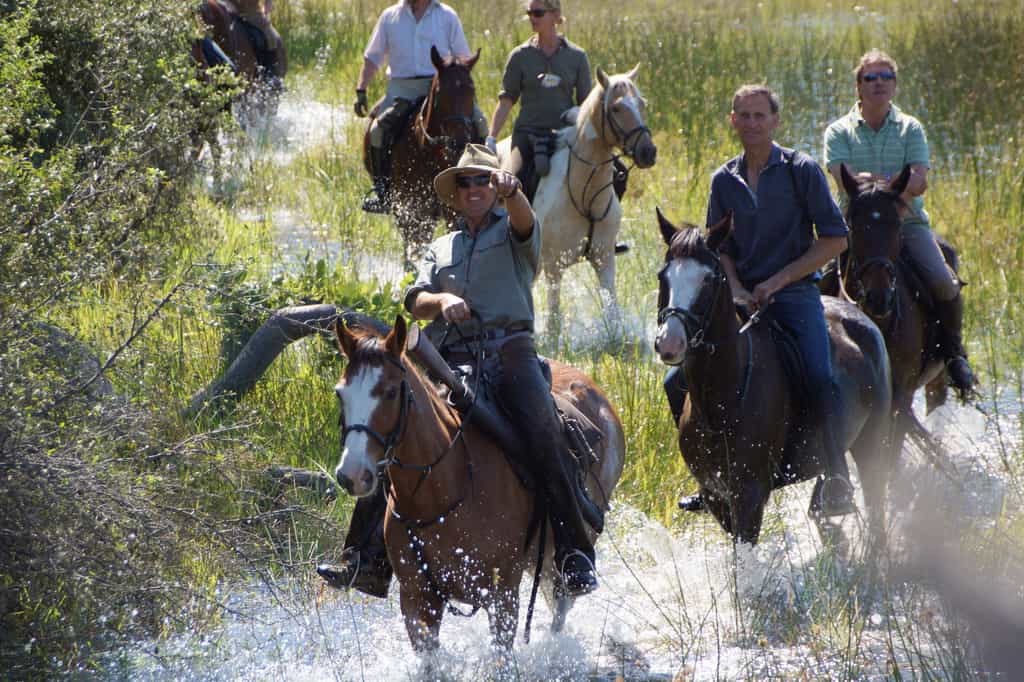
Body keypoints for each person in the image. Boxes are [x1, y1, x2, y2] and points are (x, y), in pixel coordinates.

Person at [318, 144, 600, 598]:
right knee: (395, 429)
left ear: (495, 186)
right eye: (465, 182)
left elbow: (525, 221)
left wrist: (513, 192)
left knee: (542, 432)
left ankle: (573, 553)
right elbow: (415, 300)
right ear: (455, 192)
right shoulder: (441, 247)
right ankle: (366, 559)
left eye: (482, 180)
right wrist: (442, 300)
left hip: (510, 356)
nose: (473, 189)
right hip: (451, 359)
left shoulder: (514, 230)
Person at [667, 84, 856, 517]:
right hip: (739, 298)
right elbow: (718, 247)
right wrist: (735, 288)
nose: (751, 123)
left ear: (775, 121)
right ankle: (708, 475)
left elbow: (835, 240)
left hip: (795, 295)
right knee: (675, 381)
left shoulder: (802, 170)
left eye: (759, 115)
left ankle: (837, 477)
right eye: (744, 115)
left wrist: (778, 281)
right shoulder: (723, 180)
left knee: (819, 376)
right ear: (733, 121)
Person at [824, 49, 975, 399]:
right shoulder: (838, 131)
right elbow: (841, 177)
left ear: (894, 85)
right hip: (857, 227)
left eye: (886, 77)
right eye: (870, 78)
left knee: (943, 281)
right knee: (821, 285)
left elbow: (919, 181)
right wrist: (892, 183)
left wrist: (875, 184)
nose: (878, 83)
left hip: (907, 225)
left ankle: (954, 355)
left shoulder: (910, 128)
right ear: (858, 86)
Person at [355, 0, 488, 214]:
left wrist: (456, 79)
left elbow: (463, 55)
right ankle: (383, 192)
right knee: (377, 131)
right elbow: (373, 56)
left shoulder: (446, 15)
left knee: (480, 124)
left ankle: (484, 185)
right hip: (402, 88)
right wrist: (361, 88)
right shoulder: (390, 16)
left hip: (442, 84)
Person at [487, 0, 592, 199]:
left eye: (538, 13)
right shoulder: (520, 56)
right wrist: (491, 138)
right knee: (513, 182)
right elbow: (506, 100)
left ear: (555, 15)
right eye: (529, 13)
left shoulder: (577, 56)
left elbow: (586, 104)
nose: (532, 18)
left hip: (564, 135)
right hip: (527, 133)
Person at [220, 0, 285, 75]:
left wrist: (266, 12)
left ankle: (271, 71)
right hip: (230, 14)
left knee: (271, 37)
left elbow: (268, 2)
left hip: (253, 14)